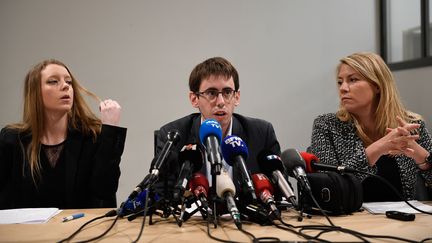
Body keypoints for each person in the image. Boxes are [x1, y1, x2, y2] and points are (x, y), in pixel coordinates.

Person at [0, 59, 127, 209]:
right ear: (35, 93)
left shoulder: (91, 136)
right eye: (53, 81)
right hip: (28, 231)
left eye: (69, 81)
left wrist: (110, 129)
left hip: (82, 230)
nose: (65, 86)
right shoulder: (12, 139)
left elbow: (104, 191)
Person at [308, 52, 432, 202]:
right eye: (340, 82)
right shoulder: (327, 125)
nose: (343, 88)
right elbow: (329, 189)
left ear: (377, 85)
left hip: (402, 222)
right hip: (349, 222)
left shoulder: (412, 125)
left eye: (353, 80)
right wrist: (379, 147)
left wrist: (421, 156)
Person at [153, 57, 281, 200]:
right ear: (194, 99)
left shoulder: (262, 134)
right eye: (211, 93)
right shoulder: (174, 136)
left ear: (236, 97)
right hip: (194, 221)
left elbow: (280, 191)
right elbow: (161, 196)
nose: (220, 102)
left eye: (227, 92)